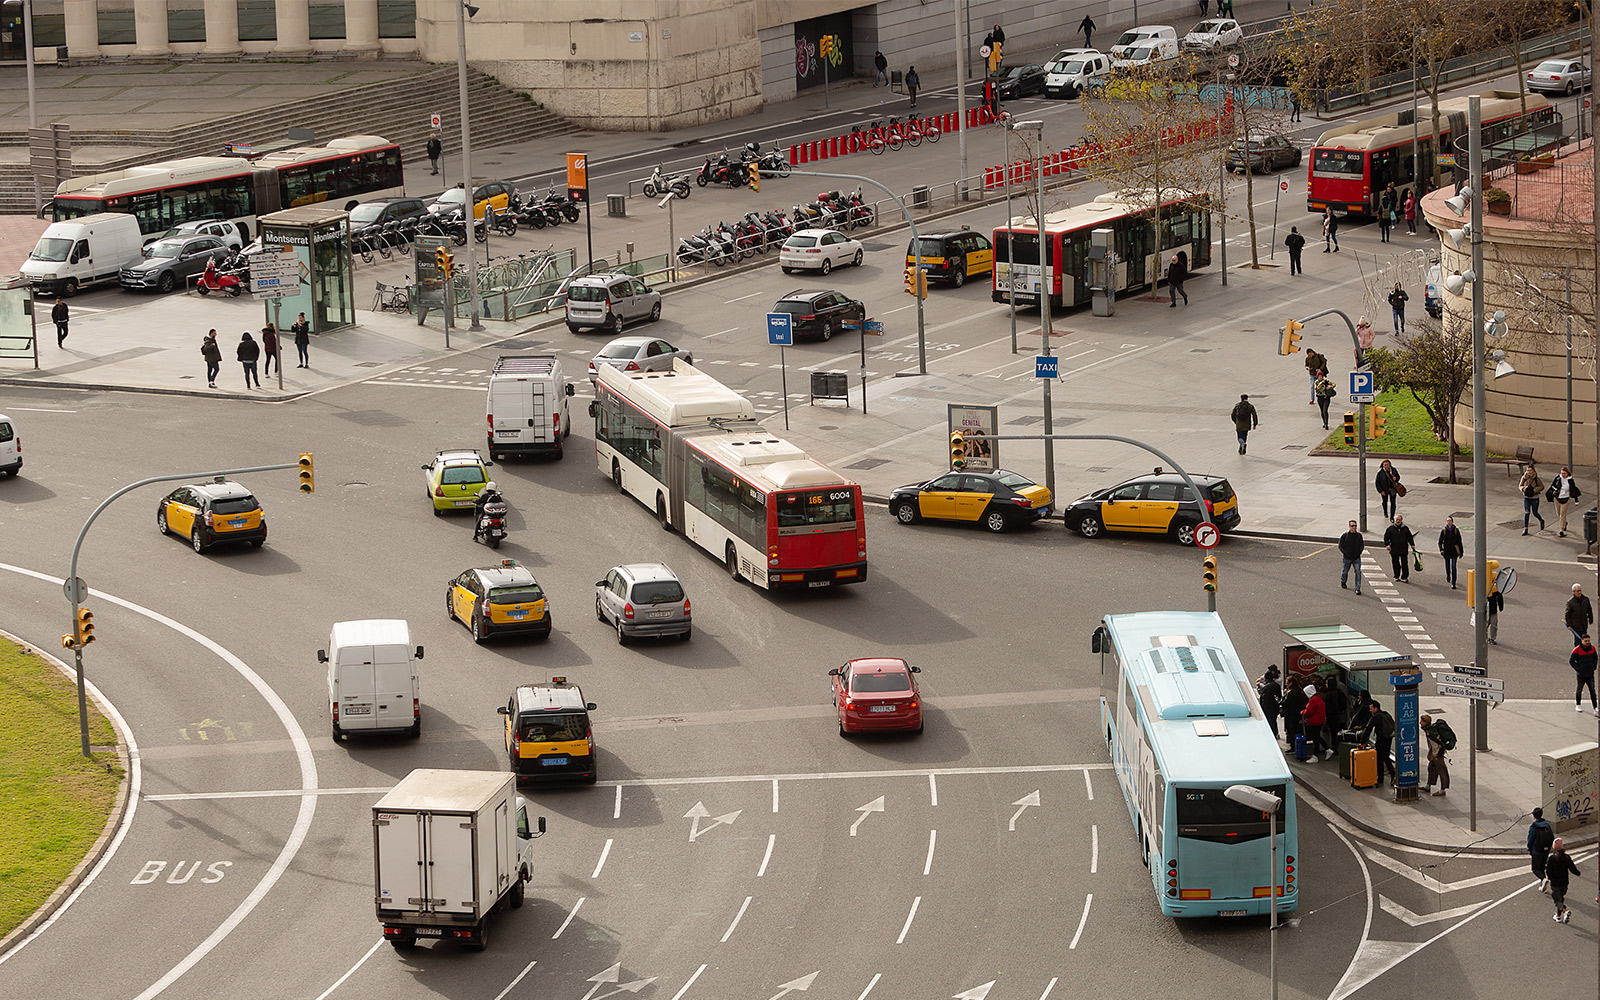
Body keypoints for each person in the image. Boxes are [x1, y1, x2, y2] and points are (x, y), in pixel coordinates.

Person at [1358, 699, 1397, 787]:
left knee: (1379, 759)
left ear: (1376, 708)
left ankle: (1380, 779)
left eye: (1371, 708)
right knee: (1386, 757)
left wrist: (1362, 742)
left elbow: (1368, 729)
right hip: (1388, 738)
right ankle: (1393, 774)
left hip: (1381, 739)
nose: (1370, 710)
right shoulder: (1386, 714)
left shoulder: (1376, 716)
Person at [1547, 837, 1580, 922]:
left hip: (1555, 883)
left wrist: (1549, 877)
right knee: (1561, 898)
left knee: (1557, 900)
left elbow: (1548, 871)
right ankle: (1558, 916)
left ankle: (1565, 911)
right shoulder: (1566, 858)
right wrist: (1578, 873)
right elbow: (1573, 868)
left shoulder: (1552, 858)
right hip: (1564, 882)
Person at [1420, 713, 1452, 796]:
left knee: (1442, 770)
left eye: (1421, 721)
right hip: (1435, 754)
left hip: (1437, 755)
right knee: (1431, 768)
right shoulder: (1430, 729)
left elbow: (1436, 746)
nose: (1420, 723)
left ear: (1426, 723)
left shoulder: (1431, 733)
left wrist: (1435, 756)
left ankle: (1442, 790)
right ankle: (1428, 785)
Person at [1301, 682, 1331, 760]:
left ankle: (1316, 756)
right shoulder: (1318, 698)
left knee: (1316, 739)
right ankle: (1327, 750)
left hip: (1315, 721)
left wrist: (1303, 712)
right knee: (1317, 737)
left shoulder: (1313, 700)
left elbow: (1309, 711)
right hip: (1319, 720)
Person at [1570, 634, 1598, 715]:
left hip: (1590, 674)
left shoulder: (1592, 648)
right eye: (1585, 641)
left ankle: (1595, 707)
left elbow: (1595, 658)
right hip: (1581, 675)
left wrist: (1594, 667)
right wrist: (1579, 669)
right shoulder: (1577, 650)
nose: (1587, 642)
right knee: (1579, 690)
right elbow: (1571, 661)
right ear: (1582, 641)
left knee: (1592, 691)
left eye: (1588, 641)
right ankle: (1578, 705)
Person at [1528, 807, 1555, 889]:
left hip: (1537, 851)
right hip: (1545, 850)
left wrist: (1529, 849)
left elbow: (1530, 839)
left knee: (1535, 869)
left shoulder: (1534, 827)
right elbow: (1552, 837)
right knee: (1542, 867)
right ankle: (1543, 884)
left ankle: (1543, 879)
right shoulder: (1547, 825)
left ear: (1534, 816)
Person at [1383, 513, 1415, 583]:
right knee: (1395, 563)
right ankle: (1396, 575)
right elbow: (1386, 538)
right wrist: (1387, 545)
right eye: (1397, 519)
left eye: (1399, 519)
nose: (1398, 521)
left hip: (1403, 549)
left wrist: (1412, 544)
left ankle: (1404, 576)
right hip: (1394, 549)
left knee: (1404, 563)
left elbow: (1409, 537)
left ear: (1402, 520)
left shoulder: (1405, 528)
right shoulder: (1390, 529)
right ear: (1394, 520)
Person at [1549, 465, 1580, 537]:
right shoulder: (1558, 478)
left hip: (1565, 499)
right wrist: (1555, 489)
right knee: (1559, 514)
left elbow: (1574, 490)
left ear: (1567, 473)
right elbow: (1552, 485)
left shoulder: (1570, 480)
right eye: (1562, 473)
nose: (1562, 475)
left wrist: (1576, 500)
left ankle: (1561, 529)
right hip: (1557, 498)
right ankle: (1564, 523)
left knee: (1563, 515)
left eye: (1564, 473)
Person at [1338, 519, 1364, 594]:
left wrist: (1359, 552)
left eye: (1355, 526)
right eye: (1352, 526)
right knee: (1345, 571)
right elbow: (1340, 546)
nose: (1354, 527)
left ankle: (1357, 588)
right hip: (1347, 558)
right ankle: (1343, 581)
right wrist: (1346, 553)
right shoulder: (1345, 536)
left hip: (1356, 558)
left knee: (1358, 572)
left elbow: (1362, 545)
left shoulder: (1359, 536)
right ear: (1349, 526)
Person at [1257, 666, 1283, 739]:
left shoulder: (1266, 688)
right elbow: (1279, 696)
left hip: (1268, 709)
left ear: (1266, 679)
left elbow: (1264, 700)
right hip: (1275, 708)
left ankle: (1272, 734)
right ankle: (1276, 733)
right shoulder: (1277, 686)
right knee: (1274, 721)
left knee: (1269, 721)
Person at [1438, 515, 1463, 589]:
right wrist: (1441, 550)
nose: (1449, 522)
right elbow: (1440, 541)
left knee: (1454, 567)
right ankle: (1448, 575)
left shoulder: (1456, 530)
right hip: (1446, 551)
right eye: (1448, 521)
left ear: (1452, 522)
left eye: (1450, 521)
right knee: (1448, 567)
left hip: (1454, 551)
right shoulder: (1444, 530)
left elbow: (1459, 541)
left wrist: (1461, 552)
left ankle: (1453, 582)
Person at [1520, 463, 1546, 535]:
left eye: (1530, 470)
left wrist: (1534, 490)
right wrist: (1523, 489)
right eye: (1527, 470)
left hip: (1535, 498)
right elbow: (1520, 485)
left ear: (1533, 471)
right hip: (1527, 498)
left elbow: (1542, 486)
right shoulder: (1524, 477)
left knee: (1535, 513)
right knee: (1527, 512)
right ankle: (1525, 529)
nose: (1528, 472)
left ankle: (1541, 520)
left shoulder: (1537, 478)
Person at [1279, 681, 1307, 749]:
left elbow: (1286, 702)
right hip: (1296, 713)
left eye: (1287, 683)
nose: (1286, 684)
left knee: (1291, 730)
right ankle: (1295, 745)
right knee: (1295, 730)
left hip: (1291, 714)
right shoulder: (1298, 691)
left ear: (1291, 683)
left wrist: (1281, 701)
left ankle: (1293, 747)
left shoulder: (1291, 692)